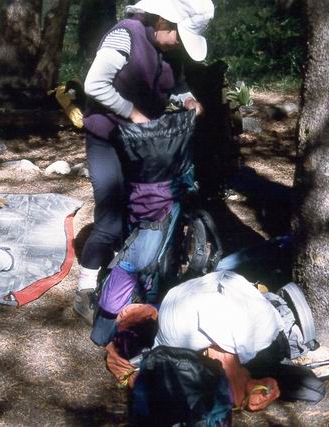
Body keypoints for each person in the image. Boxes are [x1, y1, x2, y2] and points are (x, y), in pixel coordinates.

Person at [73, 0, 214, 323]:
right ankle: (85, 288)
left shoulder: (168, 48)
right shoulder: (126, 35)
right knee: (110, 216)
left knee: (140, 208)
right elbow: (94, 84)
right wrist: (132, 113)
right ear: (164, 21)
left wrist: (188, 99)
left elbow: (175, 84)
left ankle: (127, 276)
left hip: (141, 141)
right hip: (107, 137)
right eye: (179, 35)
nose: (179, 43)